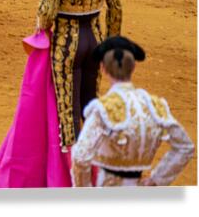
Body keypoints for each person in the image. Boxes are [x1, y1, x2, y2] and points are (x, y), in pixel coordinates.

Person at [36, 0, 122, 150]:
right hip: (95, 40)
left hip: (67, 41)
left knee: (67, 103)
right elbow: (116, 8)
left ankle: (71, 162)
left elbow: (48, 9)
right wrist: (110, 42)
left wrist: (40, 29)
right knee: (90, 99)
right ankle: (100, 152)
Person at [71, 36, 195, 187]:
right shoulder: (154, 107)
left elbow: (80, 157)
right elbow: (185, 147)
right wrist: (156, 180)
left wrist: (84, 190)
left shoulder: (103, 109)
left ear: (102, 68)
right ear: (134, 67)